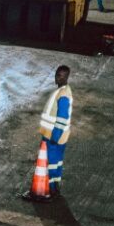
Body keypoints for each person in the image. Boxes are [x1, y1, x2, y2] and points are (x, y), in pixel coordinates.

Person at [36, 65, 73, 197]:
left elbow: (62, 117)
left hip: (53, 136)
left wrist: (55, 137)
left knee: (50, 163)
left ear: (66, 77)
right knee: (56, 162)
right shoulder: (63, 90)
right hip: (56, 136)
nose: (57, 78)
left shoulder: (63, 94)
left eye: (61, 76)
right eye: (57, 75)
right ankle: (55, 186)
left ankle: (51, 189)